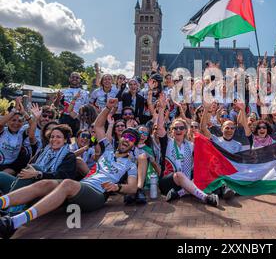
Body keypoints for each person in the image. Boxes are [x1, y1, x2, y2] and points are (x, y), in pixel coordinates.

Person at [0, 98, 140, 239]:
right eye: (126, 136)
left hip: (97, 194)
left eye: (132, 139)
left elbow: (133, 188)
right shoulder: (108, 150)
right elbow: (98, 126)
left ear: (133, 145)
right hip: (82, 186)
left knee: (67, 183)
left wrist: (117, 187)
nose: (127, 139)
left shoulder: (131, 164)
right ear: (121, 137)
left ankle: (12, 222)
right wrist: (107, 108)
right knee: (44, 183)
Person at [156, 95, 219, 207]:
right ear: (172, 130)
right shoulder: (167, 142)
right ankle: (206, 197)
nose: (178, 130)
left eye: (181, 128)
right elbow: (160, 128)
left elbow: (206, 139)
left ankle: (179, 194)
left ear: (186, 130)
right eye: (175, 128)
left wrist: (206, 110)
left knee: (203, 173)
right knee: (179, 175)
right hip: (168, 182)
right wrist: (161, 109)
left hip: (187, 182)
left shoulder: (191, 145)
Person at [0, 97, 37, 176]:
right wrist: (14, 109)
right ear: (8, 121)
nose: (16, 123)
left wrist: (23, 112)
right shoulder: (3, 130)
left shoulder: (22, 132)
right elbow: (0, 123)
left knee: (3, 176)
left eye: (19, 121)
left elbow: (33, 125)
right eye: (13, 120)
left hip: (11, 166)